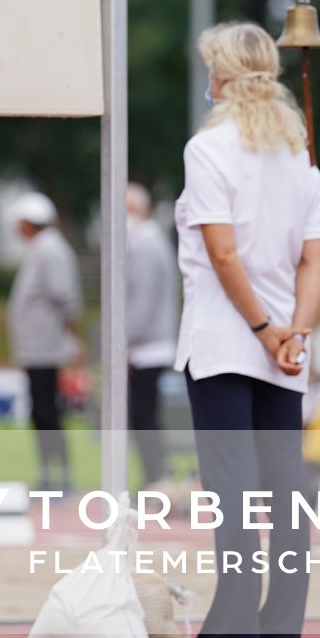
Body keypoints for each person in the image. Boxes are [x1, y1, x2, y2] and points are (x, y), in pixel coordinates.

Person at [174, 21, 320, 638]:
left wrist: (265, 330)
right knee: (284, 484)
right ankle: (281, 629)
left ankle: (235, 622)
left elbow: (222, 252)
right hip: (284, 344)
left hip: (225, 339)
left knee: (233, 486)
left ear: (224, 78)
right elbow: (316, 258)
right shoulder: (300, 158)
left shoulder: (208, 150)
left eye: (210, 67)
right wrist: (295, 330)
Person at [5, 191, 82, 495]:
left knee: (48, 411)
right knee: (41, 411)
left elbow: (65, 297)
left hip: (45, 347)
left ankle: (59, 476)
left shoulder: (50, 250)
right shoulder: (42, 248)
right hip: (36, 347)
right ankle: (51, 474)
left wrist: (68, 337)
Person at [125, 182, 178, 488]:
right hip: (150, 343)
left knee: (143, 416)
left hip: (148, 346)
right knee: (143, 415)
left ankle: (157, 477)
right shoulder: (150, 242)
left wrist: (123, 341)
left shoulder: (145, 245)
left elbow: (142, 302)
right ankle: (155, 475)